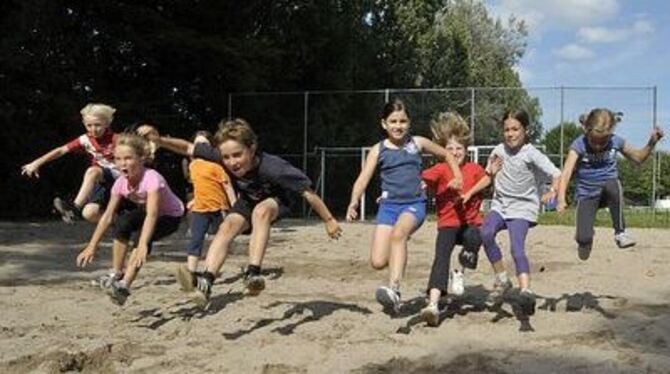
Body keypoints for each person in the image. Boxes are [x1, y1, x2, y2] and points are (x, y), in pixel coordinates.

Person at [137, 119, 341, 306]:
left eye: (237, 155)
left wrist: (329, 220)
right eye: (226, 157)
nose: (232, 162)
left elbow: (307, 192)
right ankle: (206, 280)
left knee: (261, 212)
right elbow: (189, 148)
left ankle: (253, 273)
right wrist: (160, 141)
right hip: (248, 200)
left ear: (252, 148)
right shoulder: (219, 156)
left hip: (280, 200)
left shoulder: (274, 168)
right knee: (227, 226)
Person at [345, 99, 463, 314]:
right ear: (384, 124)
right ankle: (398, 252)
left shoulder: (417, 143)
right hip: (388, 208)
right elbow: (363, 179)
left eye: (403, 121)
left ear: (409, 123)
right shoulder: (378, 150)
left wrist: (457, 176)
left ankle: (395, 289)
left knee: (399, 234)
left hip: (413, 205)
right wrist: (354, 202)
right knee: (378, 261)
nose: (398, 126)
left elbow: (446, 154)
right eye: (393, 121)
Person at [75, 133, 184, 305]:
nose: (122, 163)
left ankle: (124, 286)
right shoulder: (120, 183)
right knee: (122, 223)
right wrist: (91, 246)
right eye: (118, 159)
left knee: (140, 239)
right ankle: (116, 273)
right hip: (146, 210)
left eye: (128, 158)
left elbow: (152, 214)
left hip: (170, 215)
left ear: (141, 158)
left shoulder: (152, 179)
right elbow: (107, 216)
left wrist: (142, 245)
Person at [480, 108, 560, 316]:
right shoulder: (498, 151)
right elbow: (488, 180)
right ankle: (502, 279)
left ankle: (525, 291)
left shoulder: (531, 154)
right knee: (485, 232)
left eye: (515, 129)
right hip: (500, 205)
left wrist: (553, 190)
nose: (510, 134)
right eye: (507, 129)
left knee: (517, 249)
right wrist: (492, 174)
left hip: (523, 208)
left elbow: (556, 174)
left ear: (526, 130)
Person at [557, 108, 664, 260]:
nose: (598, 146)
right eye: (594, 141)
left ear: (610, 134)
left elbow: (638, 158)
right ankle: (585, 238)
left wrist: (652, 142)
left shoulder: (616, 141)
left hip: (609, 191)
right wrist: (561, 199)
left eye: (603, 142)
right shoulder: (578, 144)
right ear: (587, 131)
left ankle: (620, 232)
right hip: (587, 195)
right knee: (584, 240)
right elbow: (566, 172)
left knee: (613, 184)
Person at [419, 112, 491, 326]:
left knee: (477, 235)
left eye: (459, 148)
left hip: (469, 224)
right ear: (443, 151)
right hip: (447, 224)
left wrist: (492, 172)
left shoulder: (474, 169)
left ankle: (459, 272)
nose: (455, 152)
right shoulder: (440, 169)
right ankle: (433, 304)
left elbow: (487, 178)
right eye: (450, 149)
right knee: (440, 258)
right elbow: (420, 182)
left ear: (466, 150)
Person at [21, 103, 119, 223]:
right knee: (89, 214)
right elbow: (61, 150)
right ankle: (122, 223)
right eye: (89, 125)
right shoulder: (85, 139)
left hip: (121, 178)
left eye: (97, 125)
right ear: (84, 124)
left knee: (92, 171)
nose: (93, 129)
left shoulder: (118, 139)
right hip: (103, 181)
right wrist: (37, 162)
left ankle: (75, 208)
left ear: (107, 123)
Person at [176, 131, 237, 292]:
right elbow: (200, 187)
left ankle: (209, 271)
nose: (201, 148)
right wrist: (194, 200)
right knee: (195, 240)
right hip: (199, 210)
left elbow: (227, 186)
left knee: (220, 242)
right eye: (198, 144)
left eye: (205, 144)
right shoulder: (192, 166)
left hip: (219, 209)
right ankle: (191, 274)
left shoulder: (217, 166)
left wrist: (235, 208)